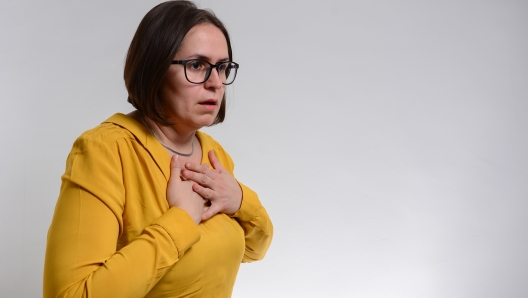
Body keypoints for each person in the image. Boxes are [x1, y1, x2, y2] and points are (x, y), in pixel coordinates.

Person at [43, 1, 273, 297]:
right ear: (154, 68)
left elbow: (255, 248)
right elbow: (70, 295)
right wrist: (180, 220)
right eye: (197, 65)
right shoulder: (106, 151)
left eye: (222, 67)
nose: (216, 82)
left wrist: (241, 200)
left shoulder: (214, 154)